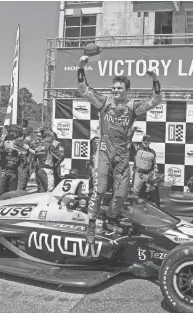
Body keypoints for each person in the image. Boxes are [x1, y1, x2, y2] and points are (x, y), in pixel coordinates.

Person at [77, 55, 162, 243]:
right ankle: (91, 223)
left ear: (126, 90)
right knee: (99, 190)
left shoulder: (133, 107)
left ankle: (110, 217)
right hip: (105, 152)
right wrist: (81, 66)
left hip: (123, 154)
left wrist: (155, 79)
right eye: (113, 88)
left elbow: (155, 100)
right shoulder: (104, 102)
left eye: (119, 88)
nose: (115, 90)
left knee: (122, 194)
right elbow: (83, 89)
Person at [0, 124, 27, 200]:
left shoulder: (21, 142)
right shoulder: (4, 141)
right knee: (0, 191)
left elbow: (25, 156)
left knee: (12, 193)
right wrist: (2, 142)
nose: (20, 136)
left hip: (14, 171)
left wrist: (20, 151)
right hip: (3, 170)